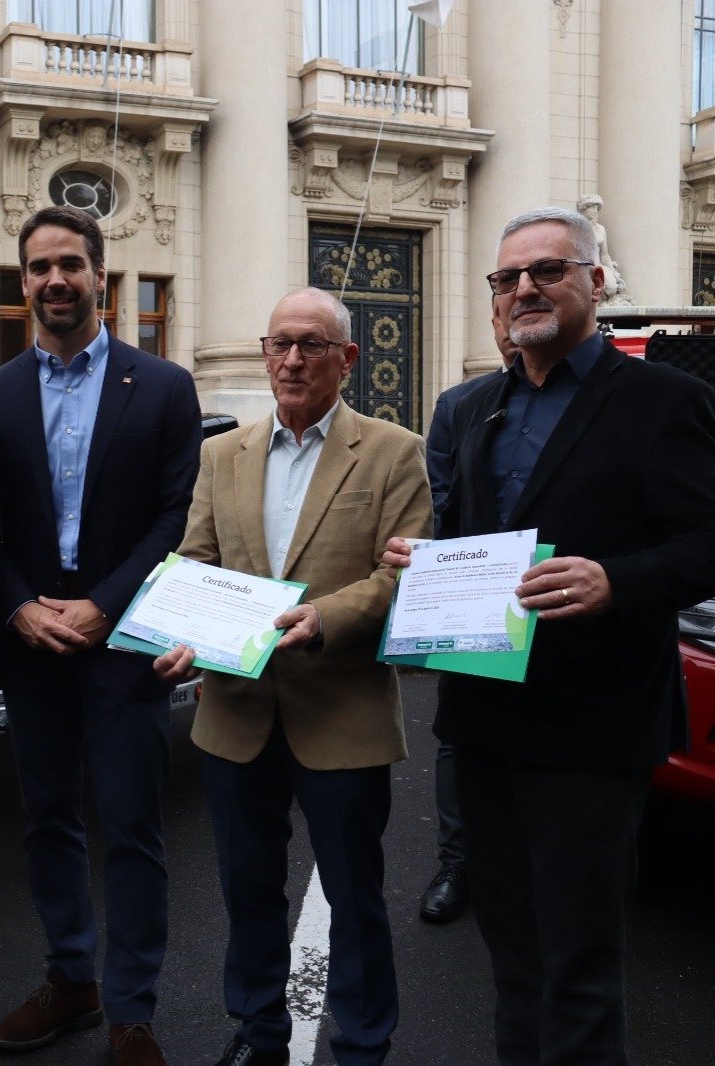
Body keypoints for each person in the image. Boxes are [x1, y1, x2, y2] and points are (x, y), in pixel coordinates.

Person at [383, 206, 715, 1065]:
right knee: (515, 961)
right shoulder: (477, 408)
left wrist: (620, 580)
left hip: (594, 734)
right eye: (507, 277)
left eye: (547, 270)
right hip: (486, 725)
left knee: (579, 968)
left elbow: (706, 540)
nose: (524, 288)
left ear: (595, 283)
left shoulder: (666, 400)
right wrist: (429, 560)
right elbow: (475, 535)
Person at [157, 288, 432, 1066]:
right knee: (248, 895)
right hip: (235, 716)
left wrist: (325, 619)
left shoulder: (392, 450)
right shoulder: (222, 453)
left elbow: (399, 575)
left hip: (342, 714)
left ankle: (364, 1044)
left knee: (355, 898)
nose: (292, 359)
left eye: (312, 344)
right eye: (279, 343)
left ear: (347, 359)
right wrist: (177, 630)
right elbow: (196, 562)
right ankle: (258, 1032)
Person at [0, 205, 200, 1066]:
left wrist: (106, 602)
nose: (55, 281)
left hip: (124, 639)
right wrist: (19, 605)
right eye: (39, 268)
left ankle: (132, 1013)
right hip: (30, 641)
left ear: (101, 275)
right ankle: (72, 979)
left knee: (134, 827)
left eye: (71, 264)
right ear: (23, 280)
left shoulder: (165, 387)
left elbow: (176, 514)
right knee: (48, 821)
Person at [417, 308, 520, 925]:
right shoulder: (460, 404)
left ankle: (526, 863)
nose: (511, 327)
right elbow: (440, 499)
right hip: (474, 594)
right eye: (502, 316)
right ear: (491, 325)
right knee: (459, 736)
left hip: (553, 596)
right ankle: (457, 864)